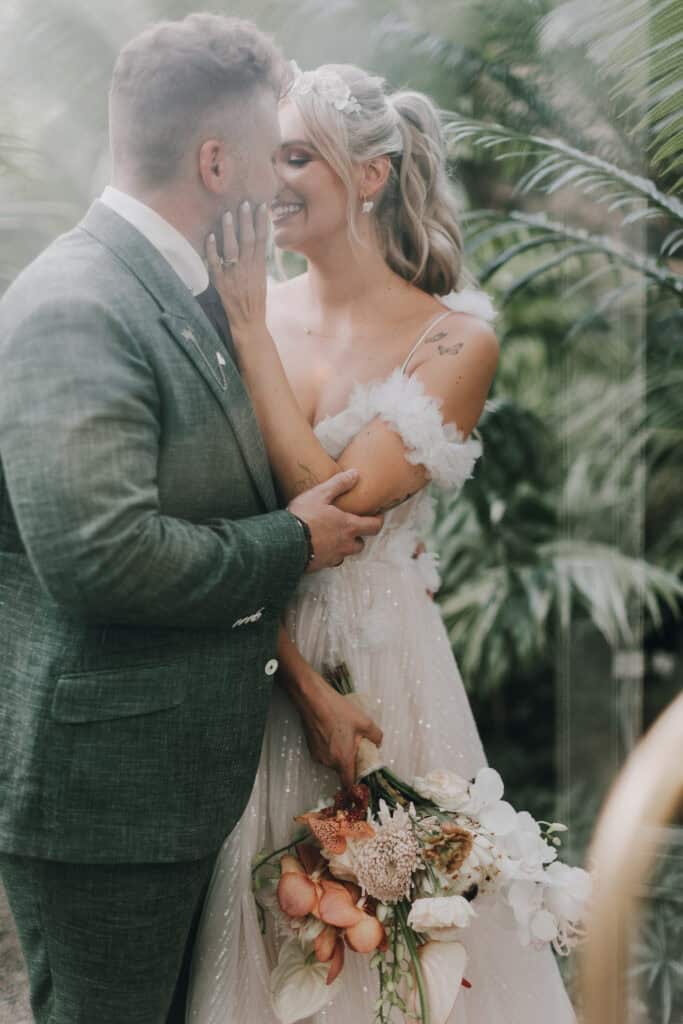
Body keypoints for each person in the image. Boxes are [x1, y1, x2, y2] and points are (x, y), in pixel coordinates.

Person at [0, 23, 384, 1024]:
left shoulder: (178, 292)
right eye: (268, 153)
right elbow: (100, 554)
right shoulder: (78, 305)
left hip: (167, 787)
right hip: (105, 803)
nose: (277, 179)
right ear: (216, 162)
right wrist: (293, 542)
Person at [187, 64, 577, 1022]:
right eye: (259, 155)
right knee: (264, 937)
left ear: (367, 176)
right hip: (247, 659)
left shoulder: (451, 341)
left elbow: (328, 512)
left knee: (396, 957)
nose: (266, 180)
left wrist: (243, 326)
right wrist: (243, 313)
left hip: (384, 679)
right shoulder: (247, 302)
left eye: (295, 157)